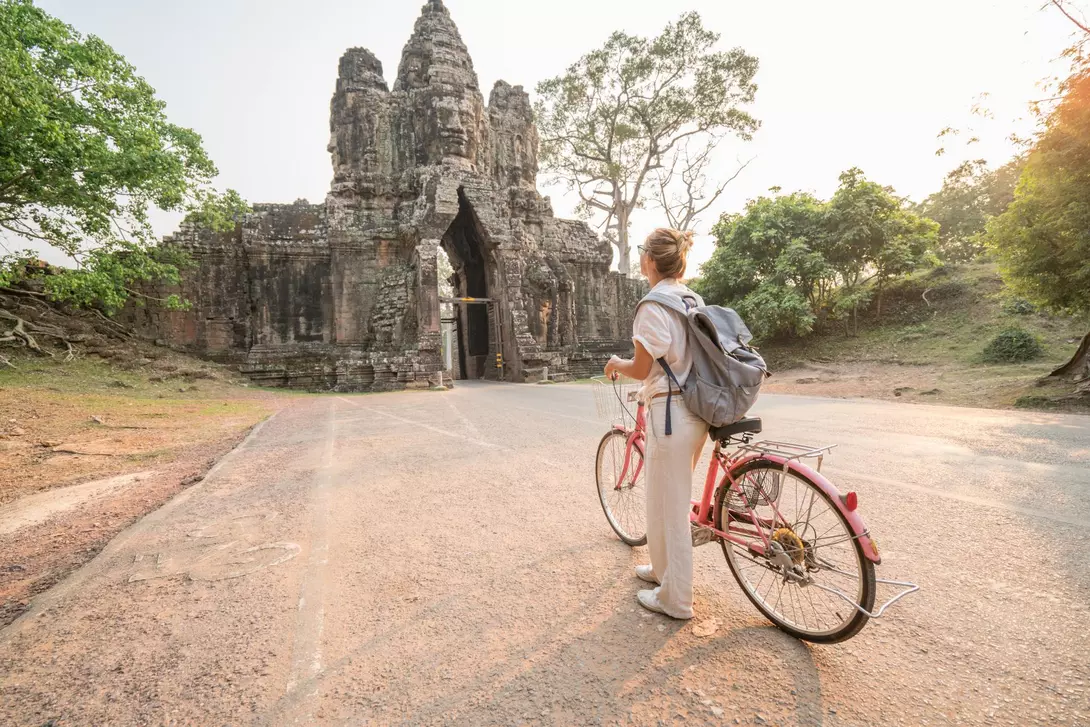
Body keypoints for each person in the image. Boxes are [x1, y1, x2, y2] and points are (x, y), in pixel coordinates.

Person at [604, 228, 707, 620]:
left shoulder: (652, 305)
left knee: (674, 505)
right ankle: (662, 571)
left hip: (672, 414)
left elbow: (644, 367)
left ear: (648, 260)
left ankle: (676, 599)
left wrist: (616, 364)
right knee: (661, 497)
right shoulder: (691, 298)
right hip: (695, 411)